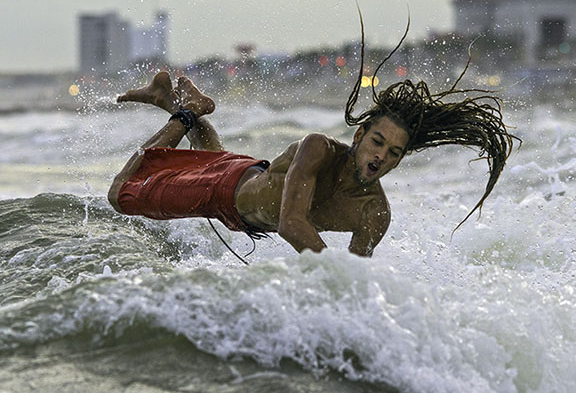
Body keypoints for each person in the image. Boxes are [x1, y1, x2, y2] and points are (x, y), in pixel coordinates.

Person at [108, 63, 517, 258]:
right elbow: (292, 222)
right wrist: (333, 278)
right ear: (359, 136)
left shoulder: (374, 212)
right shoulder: (318, 148)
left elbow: (355, 274)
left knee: (209, 157)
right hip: (225, 191)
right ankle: (184, 113)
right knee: (122, 194)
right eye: (376, 142)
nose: (380, 156)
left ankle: (177, 100)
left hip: (246, 190)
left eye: (393, 153)